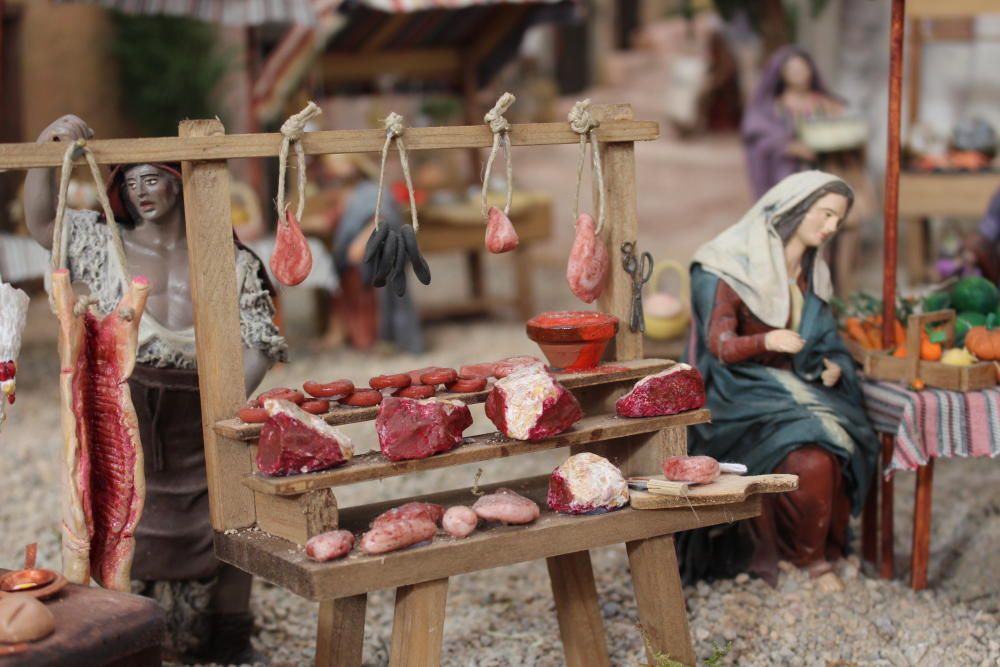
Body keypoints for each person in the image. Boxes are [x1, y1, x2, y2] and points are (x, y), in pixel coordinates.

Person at [24, 115, 287, 663]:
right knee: (121, 513)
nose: (142, 191)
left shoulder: (228, 260)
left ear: (179, 181)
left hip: (207, 405)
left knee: (230, 514)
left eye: (155, 178)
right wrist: (49, 145)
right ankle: (126, 626)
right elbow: (42, 222)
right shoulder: (102, 243)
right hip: (125, 404)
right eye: (132, 181)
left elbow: (260, 339)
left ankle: (231, 632)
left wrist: (228, 394)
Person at [681, 170, 880, 593]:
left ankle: (826, 546)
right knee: (814, 459)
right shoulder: (724, 266)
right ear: (794, 209)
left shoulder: (812, 272)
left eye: (837, 222)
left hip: (796, 389)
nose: (829, 228)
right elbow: (720, 346)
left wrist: (832, 364)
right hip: (737, 393)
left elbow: (825, 337)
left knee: (848, 437)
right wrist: (767, 339)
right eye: (824, 215)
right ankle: (806, 559)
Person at [318, 153, 423, 354]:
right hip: (355, 258)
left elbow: (383, 217)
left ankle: (396, 340)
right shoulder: (346, 192)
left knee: (390, 296)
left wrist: (362, 241)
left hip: (381, 248)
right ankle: (357, 335)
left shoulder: (373, 190)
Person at [742, 46, 845, 198]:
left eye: (803, 68)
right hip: (788, 175)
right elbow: (758, 137)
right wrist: (788, 147)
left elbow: (845, 130)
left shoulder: (825, 103)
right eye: (793, 69)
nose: (799, 73)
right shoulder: (772, 107)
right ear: (782, 73)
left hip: (824, 171)